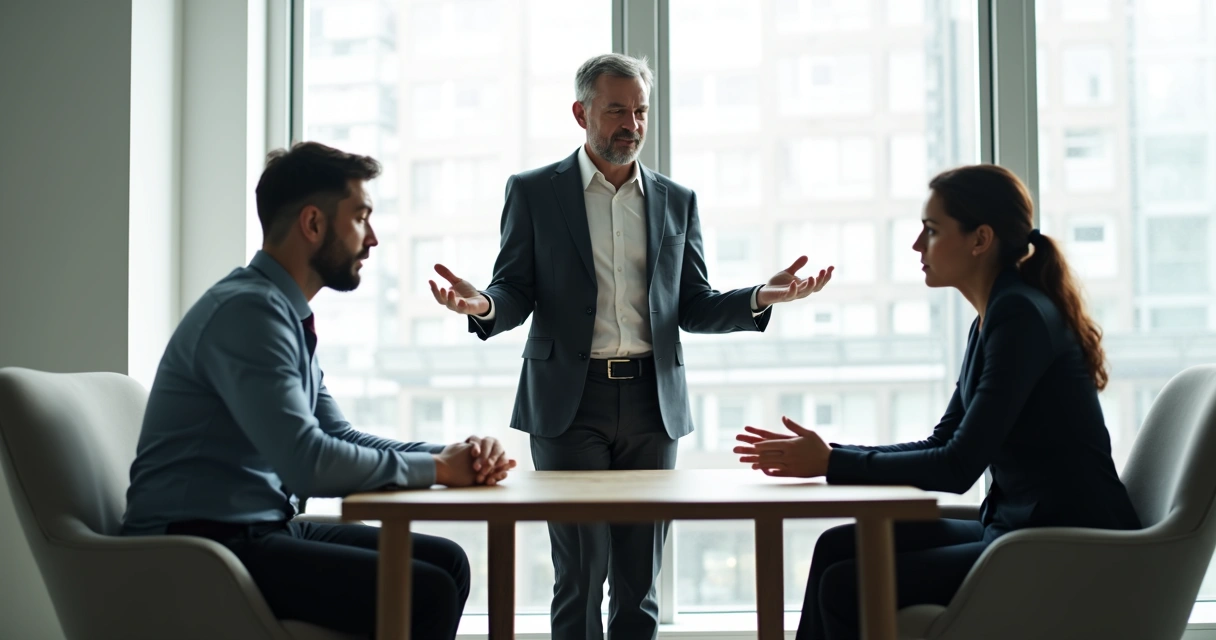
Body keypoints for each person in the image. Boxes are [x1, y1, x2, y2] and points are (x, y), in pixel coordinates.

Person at [427, 53, 833, 640]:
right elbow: (514, 289)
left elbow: (691, 304)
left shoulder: (676, 200)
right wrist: (483, 306)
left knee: (640, 580)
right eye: (617, 110)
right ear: (581, 112)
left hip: (652, 402)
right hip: (569, 402)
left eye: (640, 111)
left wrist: (758, 298)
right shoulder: (535, 192)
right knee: (580, 573)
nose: (632, 125)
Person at [122, 142, 517, 639]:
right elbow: (307, 464)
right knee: (426, 589)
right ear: (313, 224)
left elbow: (337, 435)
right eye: (361, 218)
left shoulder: (281, 312)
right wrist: (439, 469)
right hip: (199, 544)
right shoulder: (250, 313)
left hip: (260, 524)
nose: (371, 239)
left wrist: (452, 453)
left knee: (447, 562)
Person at [734, 164, 1141, 640]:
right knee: (836, 548)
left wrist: (832, 461)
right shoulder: (992, 318)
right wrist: (828, 456)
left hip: (1064, 545)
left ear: (979, 239)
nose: (915, 246)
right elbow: (944, 441)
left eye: (931, 230)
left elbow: (956, 467)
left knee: (846, 584)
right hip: (1018, 531)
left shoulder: (1019, 316)